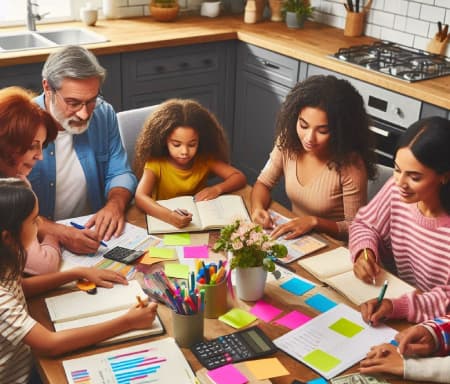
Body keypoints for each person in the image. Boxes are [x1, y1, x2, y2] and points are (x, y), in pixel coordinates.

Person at [0, 178, 158, 384]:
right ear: (8, 234)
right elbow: (50, 344)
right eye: (34, 221)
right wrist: (127, 322)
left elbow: (21, 288)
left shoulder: (7, 254)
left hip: (24, 368)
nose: (39, 226)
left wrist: (75, 273)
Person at [28, 45, 137, 255]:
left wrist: (115, 204)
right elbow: (9, 210)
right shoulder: (17, 127)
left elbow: (120, 173)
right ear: (48, 88)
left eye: (91, 100)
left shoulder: (103, 114)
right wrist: (60, 233)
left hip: (94, 237)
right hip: (38, 245)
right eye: (73, 103)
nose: (85, 114)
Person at [350, 116, 450, 326]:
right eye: (397, 169)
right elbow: (365, 224)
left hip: (436, 328)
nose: (400, 183)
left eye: (414, 177)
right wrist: (364, 253)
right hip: (397, 309)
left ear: (444, 176)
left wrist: (398, 307)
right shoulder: (397, 192)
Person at [251, 75, 375, 241]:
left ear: (340, 131)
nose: (309, 138)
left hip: (333, 250)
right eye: (303, 125)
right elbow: (263, 184)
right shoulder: (288, 141)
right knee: (212, 253)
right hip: (296, 240)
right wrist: (257, 208)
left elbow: (356, 229)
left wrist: (315, 222)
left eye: (322, 131)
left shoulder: (351, 165)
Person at [133, 99, 246, 228]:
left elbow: (239, 177)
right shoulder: (155, 163)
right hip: (166, 222)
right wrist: (170, 216)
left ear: (201, 141)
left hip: (199, 223)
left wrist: (217, 189)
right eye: (176, 145)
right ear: (164, 141)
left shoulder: (204, 159)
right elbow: (140, 197)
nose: (185, 152)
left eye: (192, 144)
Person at [0, 86, 61, 276]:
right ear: (8, 143)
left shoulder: (17, 179)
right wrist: (53, 239)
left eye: (42, 146)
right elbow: (43, 265)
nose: (40, 157)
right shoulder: (12, 195)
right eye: (33, 146)